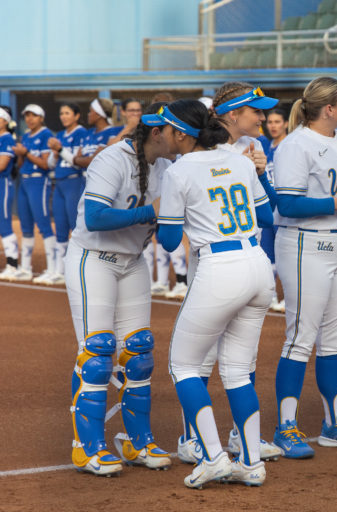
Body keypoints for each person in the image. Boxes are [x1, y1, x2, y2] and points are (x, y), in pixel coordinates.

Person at [154, 99, 274, 488]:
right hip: (256, 261)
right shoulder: (238, 158)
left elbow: (170, 241)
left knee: (184, 366)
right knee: (238, 371)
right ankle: (252, 463)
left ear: (183, 133)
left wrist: (158, 213)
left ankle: (213, 456)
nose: (164, 136)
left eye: (168, 129)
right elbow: (265, 215)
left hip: (219, 267)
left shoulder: (179, 170)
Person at [65, 101, 174, 476]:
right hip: (92, 258)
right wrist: (152, 212)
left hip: (133, 261)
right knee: (97, 354)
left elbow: (171, 233)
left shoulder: (167, 165)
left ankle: (136, 440)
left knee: (140, 353)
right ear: (157, 133)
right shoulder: (113, 159)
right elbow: (95, 218)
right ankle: (87, 446)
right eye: (176, 132)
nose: (182, 139)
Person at [272, 76, 337, 458]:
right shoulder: (296, 145)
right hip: (304, 246)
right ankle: (287, 426)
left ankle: (334, 422)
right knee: (300, 337)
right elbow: (288, 205)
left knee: (334, 340)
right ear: (328, 108)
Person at [45, 103, 88, 285]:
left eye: (67, 113)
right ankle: (59, 271)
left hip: (74, 182)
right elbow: (50, 164)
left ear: (77, 116)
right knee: (60, 226)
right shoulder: (60, 135)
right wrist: (55, 153)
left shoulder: (81, 133)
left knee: (75, 226)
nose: (63, 116)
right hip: (60, 183)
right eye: (61, 113)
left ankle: (79, 269)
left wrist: (60, 150)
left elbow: (78, 162)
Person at [11, 104, 55, 282]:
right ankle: (25, 267)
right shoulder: (26, 136)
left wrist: (26, 152)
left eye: (34, 115)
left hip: (39, 180)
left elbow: (46, 164)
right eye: (27, 115)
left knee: (43, 224)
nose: (29, 119)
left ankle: (53, 268)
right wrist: (20, 153)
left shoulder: (46, 134)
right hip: (24, 180)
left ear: (41, 118)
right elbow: (21, 164)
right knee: (26, 225)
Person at [263, 107, 291, 313]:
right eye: (270, 121)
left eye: (277, 122)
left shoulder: (290, 145)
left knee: (285, 256)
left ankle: (290, 297)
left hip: (285, 208)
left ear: (286, 124)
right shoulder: (266, 146)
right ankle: (271, 294)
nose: (273, 125)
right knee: (268, 254)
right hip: (268, 207)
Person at [73, 98, 122, 170]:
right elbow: (78, 157)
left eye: (90, 111)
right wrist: (78, 160)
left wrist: (77, 160)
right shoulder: (88, 132)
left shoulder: (112, 132)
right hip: (84, 179)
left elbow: (94, 160)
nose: (88, 114)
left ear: (99, 114)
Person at [0, 106, 19, 280]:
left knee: (4, 223)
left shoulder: (7, 139)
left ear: (5, 121)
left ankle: (12, 264)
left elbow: (2, 165)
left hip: (3, 185)